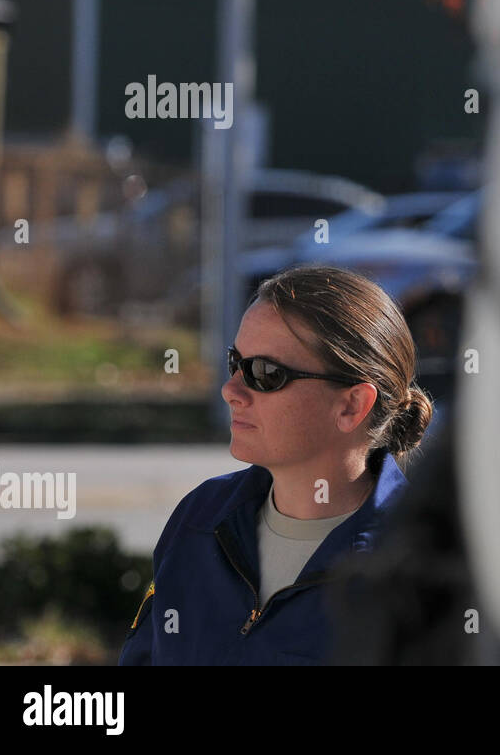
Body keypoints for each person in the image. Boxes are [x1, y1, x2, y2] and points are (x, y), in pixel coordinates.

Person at [119, 264, 433, 665]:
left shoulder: (416, 569)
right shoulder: (200, 518)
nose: (231, 390)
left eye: (265, 374)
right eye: (236, 362)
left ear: (352, 405)